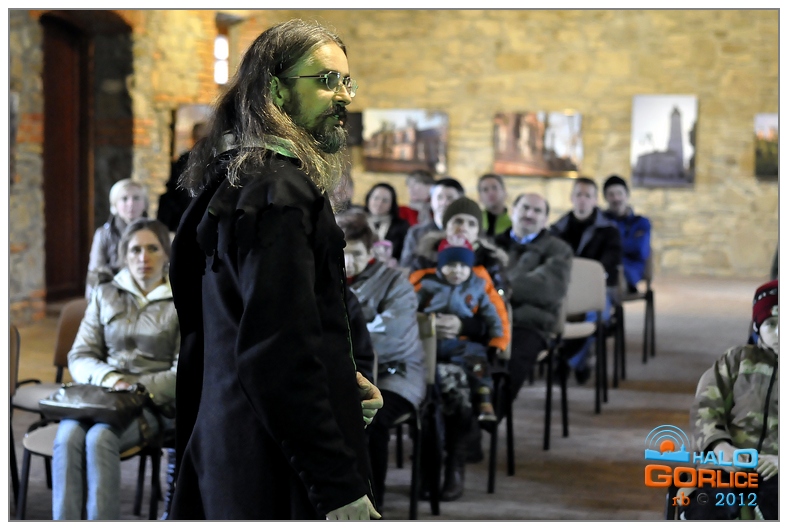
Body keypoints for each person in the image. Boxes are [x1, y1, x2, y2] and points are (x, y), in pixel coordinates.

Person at [167, 20, 382, 520]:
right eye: (326, 80)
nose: (344, 96)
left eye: (346, 81)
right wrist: (337, 486)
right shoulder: (279, 194)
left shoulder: (244, 178)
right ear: (276, 91)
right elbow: (275, 355)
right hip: (269, 462)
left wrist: (338, 379)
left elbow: (259, 324)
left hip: (235, 435)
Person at [52, 219, 178, 520]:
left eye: (152, 248)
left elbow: (185, 370)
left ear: (166, 253)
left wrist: (136, 388)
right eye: (135, 250)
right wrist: (111, 379)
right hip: (103, 395)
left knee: (99, 439)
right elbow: (80, 355)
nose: (143, 257)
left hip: (152, 402)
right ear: (124, 255)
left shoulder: (182, 300)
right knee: (67, 436)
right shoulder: (105, 294)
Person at [336, 209, 426, 511]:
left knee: (370, 417)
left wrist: (338, 347)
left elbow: (389, 337)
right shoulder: (327, 279)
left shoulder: (395, 282)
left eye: (356, 254)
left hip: (395, 373)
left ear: (372, 251)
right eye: (343, 253)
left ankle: (373, 504)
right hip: (350, 371)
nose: (348, 261)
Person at [410, 237, 510, 501]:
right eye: (451, 265)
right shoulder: (424, 280)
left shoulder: (480, 282)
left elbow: (495, 317)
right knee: (426, 384)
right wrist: (427, 323)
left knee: (463, 377)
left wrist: (494, 342)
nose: (457, 271)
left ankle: (455, 462)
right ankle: (427, 466)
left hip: (463, 350)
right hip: (426, 347)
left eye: (463, 266)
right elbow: (405, 310)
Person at [685, 279, 778, 520]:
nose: (780, 332)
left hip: (777, 471)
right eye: (771, 324)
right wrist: (720, 447)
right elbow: (705, 409)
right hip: (726, 465)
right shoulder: (736, 361)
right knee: (708, 509)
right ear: (756, 327)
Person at [495, 192, 573, 398]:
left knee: (507, 372)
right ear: (513, 211)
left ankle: (490, 414)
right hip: (490, 319)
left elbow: (547, 289)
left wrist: (502, 289)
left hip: (529, 324)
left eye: (537, 211)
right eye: (525, 208)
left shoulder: (559, 249)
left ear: (545, 219)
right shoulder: (493, 245)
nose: (529, 214)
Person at [550, 177, 622, 383]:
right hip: (563, 288)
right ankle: (579, 361)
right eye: (578, 195)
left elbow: (610, 264)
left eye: (587, 195)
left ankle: (567, 360)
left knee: (595, 315)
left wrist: (587, 280)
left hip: (597, 289)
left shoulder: (609, 231)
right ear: (571, 198)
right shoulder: (557, 229)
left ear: (595, 200)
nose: (582, 199)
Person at [411, 196, 509, 297]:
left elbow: (500, 295)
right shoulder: (427, 256)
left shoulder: (490, 261)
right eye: (458, 221)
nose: (463, 228)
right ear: (446, 225)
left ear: (478, 232)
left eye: (471, 224)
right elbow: (411, 291)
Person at [85, 178, 149, 299]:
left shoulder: (156, 233)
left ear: (144, 203)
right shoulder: (103, 234)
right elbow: (95, 273)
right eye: (124, 199)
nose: (131, 203)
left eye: (136, 198)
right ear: (114, 205)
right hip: (113, 295)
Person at [399, 177, 464, 270]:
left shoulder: (468, 232)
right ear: (431, 201)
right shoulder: (416, 233)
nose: (444, 203)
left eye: (450, 198)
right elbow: (406, 266)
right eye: (439, 197)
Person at [602, 174, 651, 293]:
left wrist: (612, 246)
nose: (616, 198)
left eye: (619, 193)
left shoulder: (641, 222)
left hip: (631, 270)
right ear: (606, 197)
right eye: (611, 194)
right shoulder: (601, 221)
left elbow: (641, 250)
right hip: (606, 269)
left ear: (627, 195)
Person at [157, 122, 208, 233]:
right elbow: (174, 187)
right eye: (198, 137)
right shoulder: (185, 160)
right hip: (185, 211)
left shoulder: (216, 160)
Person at [364, 182, 411, 263]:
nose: (379, 203)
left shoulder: (401, 226)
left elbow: (405, 255)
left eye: (385, 200)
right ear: (369, 199)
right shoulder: (356, 222)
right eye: (376, 198)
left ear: (392, 204)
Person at [477, 173, 511, 238]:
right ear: (480, 197)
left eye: (494, 188)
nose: (491, 193)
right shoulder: (474, 222)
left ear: (504, 192)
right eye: (485, 189)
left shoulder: (513, 225)